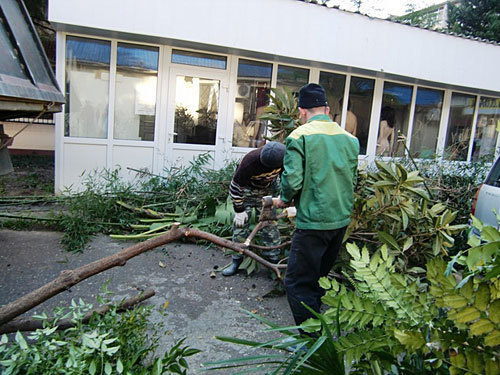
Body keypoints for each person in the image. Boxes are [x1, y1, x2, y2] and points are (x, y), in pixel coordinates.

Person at [275, 83, 359, 330]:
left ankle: (310, 338)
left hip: (313, 222)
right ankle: (318, 325)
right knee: (319, 279)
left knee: (297, 282)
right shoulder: (350, 139)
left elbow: (292, 181)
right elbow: (352, 179)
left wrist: (284, 198)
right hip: (340, 220)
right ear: (327, 109)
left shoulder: (299, 137)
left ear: (301, 111)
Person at [223, 141, 286, 276]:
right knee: (239, 226)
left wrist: (284, 195)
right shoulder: (249, 162)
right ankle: (237, 260)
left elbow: (286, 177)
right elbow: (235, 187)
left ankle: (273, 262)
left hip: (267, 191)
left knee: (270, 226)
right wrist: (239, 210)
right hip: (247, 190)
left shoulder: (284, 157)